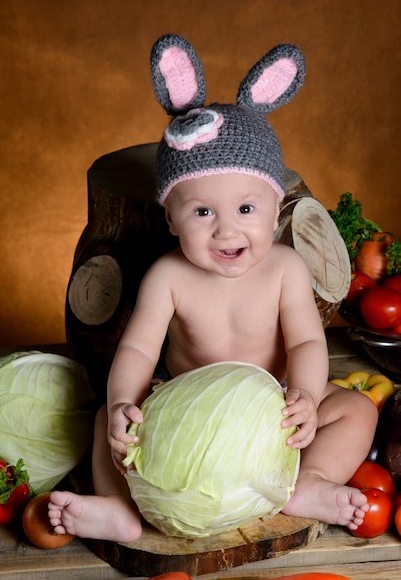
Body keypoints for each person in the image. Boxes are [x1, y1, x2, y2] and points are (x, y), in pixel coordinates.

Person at [48, 34, 378, 542]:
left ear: (274, 210)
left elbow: (309, 343)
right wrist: (121, 407)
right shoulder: (169, 276)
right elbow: (137, 349)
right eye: (202, 211)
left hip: (273, 407)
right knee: (102, 423)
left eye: (246, 209)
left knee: (355, 409)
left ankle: (309, 480)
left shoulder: (286, 269)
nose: (226, 230)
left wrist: (308, 397)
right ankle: (116, 508)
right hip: (189, 408)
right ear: (171, 218)